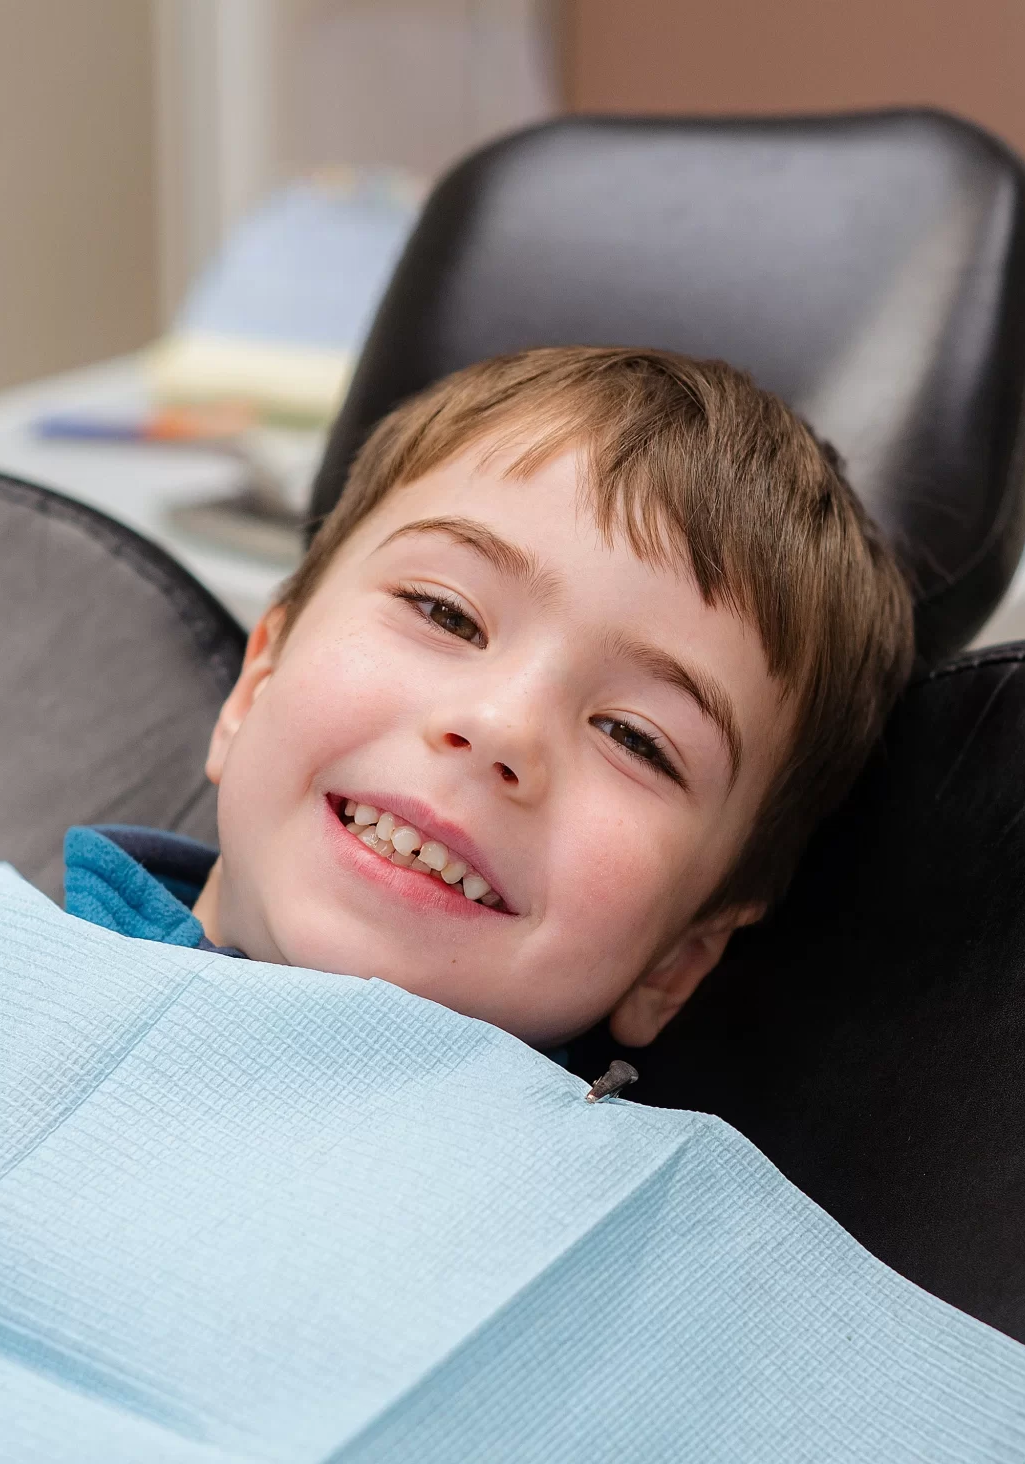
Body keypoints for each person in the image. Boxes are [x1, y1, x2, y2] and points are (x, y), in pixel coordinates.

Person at [63, 344, 914, 1051]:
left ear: (681, 959)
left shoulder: (646, 1240)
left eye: (635, 737)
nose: (500, 725)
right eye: (446, 613)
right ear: (255, 686)